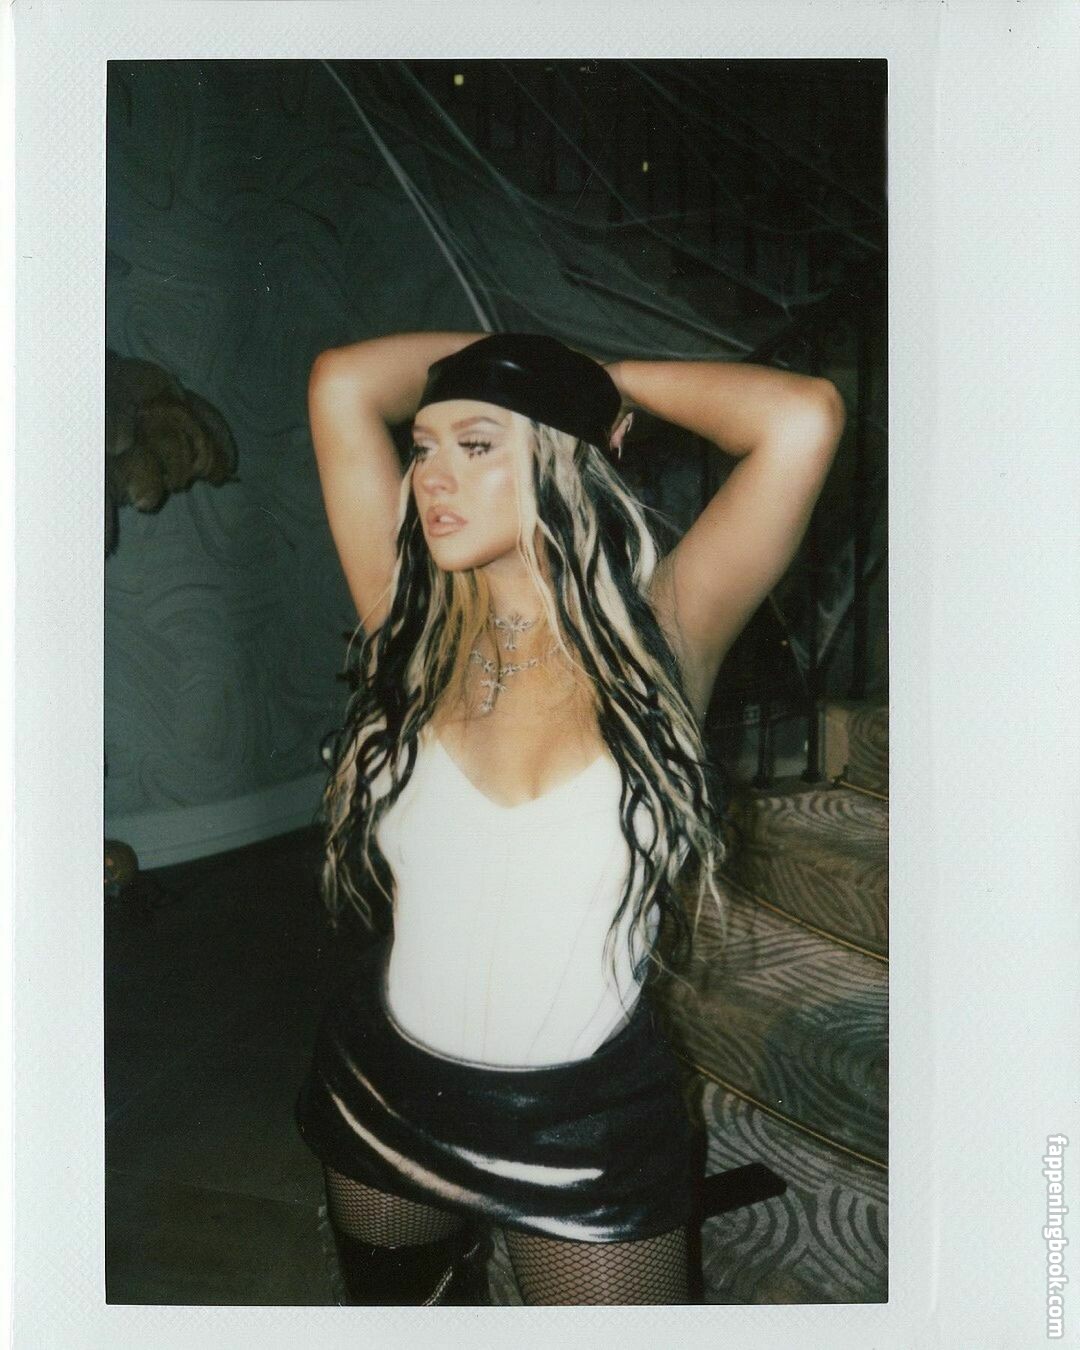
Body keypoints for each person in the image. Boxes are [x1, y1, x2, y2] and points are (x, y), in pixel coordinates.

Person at [295, 331, 844, 1305]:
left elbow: (802, 418)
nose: (432, 477)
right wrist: (528, 372)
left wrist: (594, 382)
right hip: (389, 1089)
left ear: (566, 456)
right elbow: (342, 382)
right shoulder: (409, 628)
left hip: (583, 1123)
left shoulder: (664, 636)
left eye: (477, 445)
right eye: (422, 448)